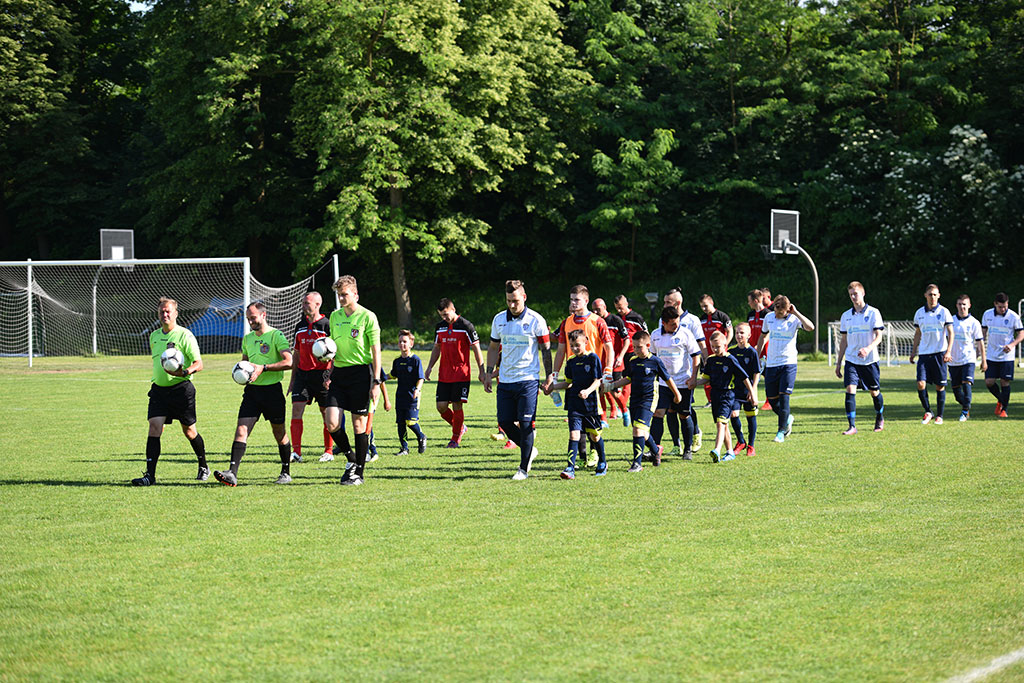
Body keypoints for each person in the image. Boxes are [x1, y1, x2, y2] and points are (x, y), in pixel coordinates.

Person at [213, 302, 294, 486]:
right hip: (252, 392)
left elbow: (289, 361)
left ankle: (285, 471)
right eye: (248, 318)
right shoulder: (248, 338)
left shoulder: (276, 335)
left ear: (263, 315)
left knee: (279, 433)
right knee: (241, 430)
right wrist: (241, 374)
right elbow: (245, 363)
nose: (250, 321)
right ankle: (232, 473)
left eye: (253, 317)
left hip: (272, 391)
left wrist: (263, 368)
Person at [132, 297, 207, 486]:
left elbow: (199, 363)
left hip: (182, 390)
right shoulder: (154, 336)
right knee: (154, 428)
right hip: (159, 391)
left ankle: (203, 465)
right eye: (161, 312)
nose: (164, 314)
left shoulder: (185, 336)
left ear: (176, 313)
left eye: (168, 311)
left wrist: (185, 371)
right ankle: (150, 475)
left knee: (189, 431)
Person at [483, 280, 551, 480]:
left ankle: (523, 469)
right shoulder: (498, 320)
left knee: (526, 422)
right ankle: (530, 450)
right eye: (508, 301)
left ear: (524, 297)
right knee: (504, 421)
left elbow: (546, 350)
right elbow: (494, 348)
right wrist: (488, 373)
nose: (512, 305)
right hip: (505, 380)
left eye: (515, 301)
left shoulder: (536, 319)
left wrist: (549, 377)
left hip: (528, 380)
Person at [322, 275, 382, 486]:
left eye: (345, 294)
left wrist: (376, 382)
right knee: (331, 422)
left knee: (359, 424)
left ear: (355, 294)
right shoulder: (335, 316)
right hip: (339, 373)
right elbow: (333, 349)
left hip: (361, 374)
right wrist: (328, 370)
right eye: (339, 295)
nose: (341, 298)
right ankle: (351, 459)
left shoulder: (368, 316)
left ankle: (360, 474)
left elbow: (376, 351)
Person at [607, 330, 682, 472]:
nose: (636, 350)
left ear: (648, 345)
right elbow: (628, 378)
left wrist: (677, 394)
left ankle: (637, 463)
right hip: (635, 399)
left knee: (637, 430)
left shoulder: (655, 361)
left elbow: (667, 378)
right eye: (634, 347)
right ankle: (655, 450)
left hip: (649, 399)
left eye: (639, 347)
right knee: (642, 431)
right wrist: (613, 385)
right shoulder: (633, 361)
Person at [549, 285, 614, 429]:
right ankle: (578, 450)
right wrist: (554, 375)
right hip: (572, 376)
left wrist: (608, 371)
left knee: (591, 421)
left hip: (591, 376)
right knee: (575, 420)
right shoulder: (566, 322)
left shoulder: (598, 321)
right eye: (571, 300)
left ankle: (595, 450)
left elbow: (609, 347)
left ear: (586, 300)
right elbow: (560, 351)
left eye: (577, 300)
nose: (573, 303)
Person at [546, 330, 609, 479]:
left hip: (590, 405)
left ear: (586, 342)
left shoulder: (593, 359)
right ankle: (570, 468)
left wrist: (587, 391)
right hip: (574, 403)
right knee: (574, 434)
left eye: (577, 345)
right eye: (572, 345)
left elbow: (597, 381)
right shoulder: (571, 362)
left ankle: (603, 462)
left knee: (594, 437)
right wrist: (553, 387)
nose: (574, 348)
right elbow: (568, 383)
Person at [424, 298, 485, 448]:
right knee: (441, 407)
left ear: (453, 309)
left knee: (457, 405)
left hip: (461, 373)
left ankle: (455, 438)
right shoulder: (440, 327)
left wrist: (482, 371)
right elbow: (437, 347)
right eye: (441, 315)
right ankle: (460, 427)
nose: (444, 318)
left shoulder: (466, 326)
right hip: (444, 374)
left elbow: (476, 349)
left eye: (446, 314)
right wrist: (430, 366)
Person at [756, 294, 814, 443]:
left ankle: (781, 432)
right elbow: (763, 336)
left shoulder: (794, 319)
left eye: (780, 312)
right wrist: (757, 355)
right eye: (775, 310)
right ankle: (787, 418)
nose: (777, 314)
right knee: (772, 398)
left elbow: (810, 327)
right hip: (772, 364)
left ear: (788, 310)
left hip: (788, 364)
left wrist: (796, 312)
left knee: (784, 397)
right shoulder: (769, 318)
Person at [287, 291, 336, 464]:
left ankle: (328, 451)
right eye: (303, 303)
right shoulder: (299, 325)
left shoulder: (327, 325)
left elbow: (335, 353)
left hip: (322, 375)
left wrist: (331, 375)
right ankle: (296, 452)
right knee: (296, 411)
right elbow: (297, 354)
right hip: (302, 375)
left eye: (307, 303)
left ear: (317, 304)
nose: (304, 306)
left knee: (326, 413)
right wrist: (292, 380)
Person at [649, 306, 701, 460]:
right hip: (664, 383)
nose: (676, 326)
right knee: (659, 413)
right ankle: (654, 449)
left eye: (677, 322)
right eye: (672, 324)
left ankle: (687, 449)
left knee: (684, 415)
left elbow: (695, 356)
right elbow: (652, 357)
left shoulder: (686, 334)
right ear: (663, 323)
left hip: (683, 382)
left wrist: (693, 377)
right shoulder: (655, 335)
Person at [834, 281, 885, 435]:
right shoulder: (846, 316)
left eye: (855, 293)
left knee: (874, 392)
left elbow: (879, 337)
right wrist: (838, 363)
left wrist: (868, 348)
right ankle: (852, 426)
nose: (853, 297)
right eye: (851, 295)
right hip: (851, 360)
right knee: (850, 390)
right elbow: (843, 341)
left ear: (863, 293)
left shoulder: (874, 313)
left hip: (869, 360)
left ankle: (879, 416)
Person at [700, 331, 756, 463]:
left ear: (725, 344)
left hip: (727, 395)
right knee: (723, 425)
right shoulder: (711, 360)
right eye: (713, 347)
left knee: (721, 423)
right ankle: (730, 451)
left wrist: (752, 394)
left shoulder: (730, 359)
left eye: (718, 346)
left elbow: (744, 378)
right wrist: (693, 383)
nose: (715, 349)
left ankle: (717, 450)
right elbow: (706, 379)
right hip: (715, 395)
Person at [662, 287, 707, 452]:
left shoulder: (692, 320)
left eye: (668, 302)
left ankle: (695, 433)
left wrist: (705, 364)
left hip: (687, 373)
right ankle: (676, 444)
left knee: (685, 408)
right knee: (670, 409)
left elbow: (701, 344)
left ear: (678, 302)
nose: (665, 304)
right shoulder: (665, 320)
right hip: (668, 374)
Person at [909, 284, 955, 425]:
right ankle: (928, 411)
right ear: (925, 295)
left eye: (935, 294)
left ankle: (940, 415)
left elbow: (951, 332)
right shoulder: (919, 313)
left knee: (939, 386)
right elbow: (917, 333)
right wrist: (913, 351)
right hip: (924, 354)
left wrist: (948, 351)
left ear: (939, 295)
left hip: (939, 354)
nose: (932, 297)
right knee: (920, 384)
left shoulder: (944, 312)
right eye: (930, 294)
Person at [982, 292, 1024, 417]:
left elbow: (1021, 334)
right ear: (995, 304)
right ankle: (1001, 400)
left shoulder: (1013, 316)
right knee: (989, 382)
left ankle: (1004, 410)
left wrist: (1012, 345)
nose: (1003, 309)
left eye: (1005, 306)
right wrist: (980, 350)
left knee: (1005, 382)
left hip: (1007, 356)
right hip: (991, 355)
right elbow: (983, 333)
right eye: (1000, 307)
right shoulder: (987, 314)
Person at [613, 294, 650, 425]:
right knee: (621, 378)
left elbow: (646, 333)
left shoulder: (636, 318)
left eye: (621, 308)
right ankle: (621, 407)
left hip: (633, 353)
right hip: (619, 353)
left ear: (627, 304)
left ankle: (626, 406)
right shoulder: (617, 318)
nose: (619, 311)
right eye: (617, 308)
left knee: (630, 378)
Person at [592, 297, 629, 425]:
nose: (596, 312)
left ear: (605, 307)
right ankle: (603, 419)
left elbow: (627, 339)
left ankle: (624, 410)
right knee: (600, 390)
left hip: (614, 362)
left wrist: (620, 356)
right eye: (594, 310)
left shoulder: (615, 320)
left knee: (614, 391)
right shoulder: (594, 321)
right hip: (599, 362)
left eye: (598, 309)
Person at [949, 294, 986, 421]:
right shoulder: (951, 320)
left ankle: (965, 412)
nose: (962, 307)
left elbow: (980, 342)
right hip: (953, 360)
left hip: (968, 359)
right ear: (956, 305)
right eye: (959, 304)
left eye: (964, 304)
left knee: (966, 384)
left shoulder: (974, 322)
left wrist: (983, 361)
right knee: (956, 392)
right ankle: (966, 405)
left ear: (969, 305)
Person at [391, 330, 427, 455]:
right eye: (400, 342)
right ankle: (404, 448)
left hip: (412, 396)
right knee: (400, 423)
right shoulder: (397, 361)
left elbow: (421, 378)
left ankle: (421, 436)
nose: (402, 344)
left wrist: (417, 389)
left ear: (411, 343)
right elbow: (392, 375)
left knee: (410, 422)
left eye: (405, 342)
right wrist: (381, 377)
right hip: (400, 396)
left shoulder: (415, 360)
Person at [729, 322, 761, 456]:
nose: (739, 335)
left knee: (750, 416)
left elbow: (756, 373)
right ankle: (741, 441)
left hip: (748, 391)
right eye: (737, 332)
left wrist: (753, 391)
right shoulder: (731, 351)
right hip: (735, 390)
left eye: (742, 333)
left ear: (749, 335)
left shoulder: (752, 352)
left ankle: (751, 445)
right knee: (733, 414)